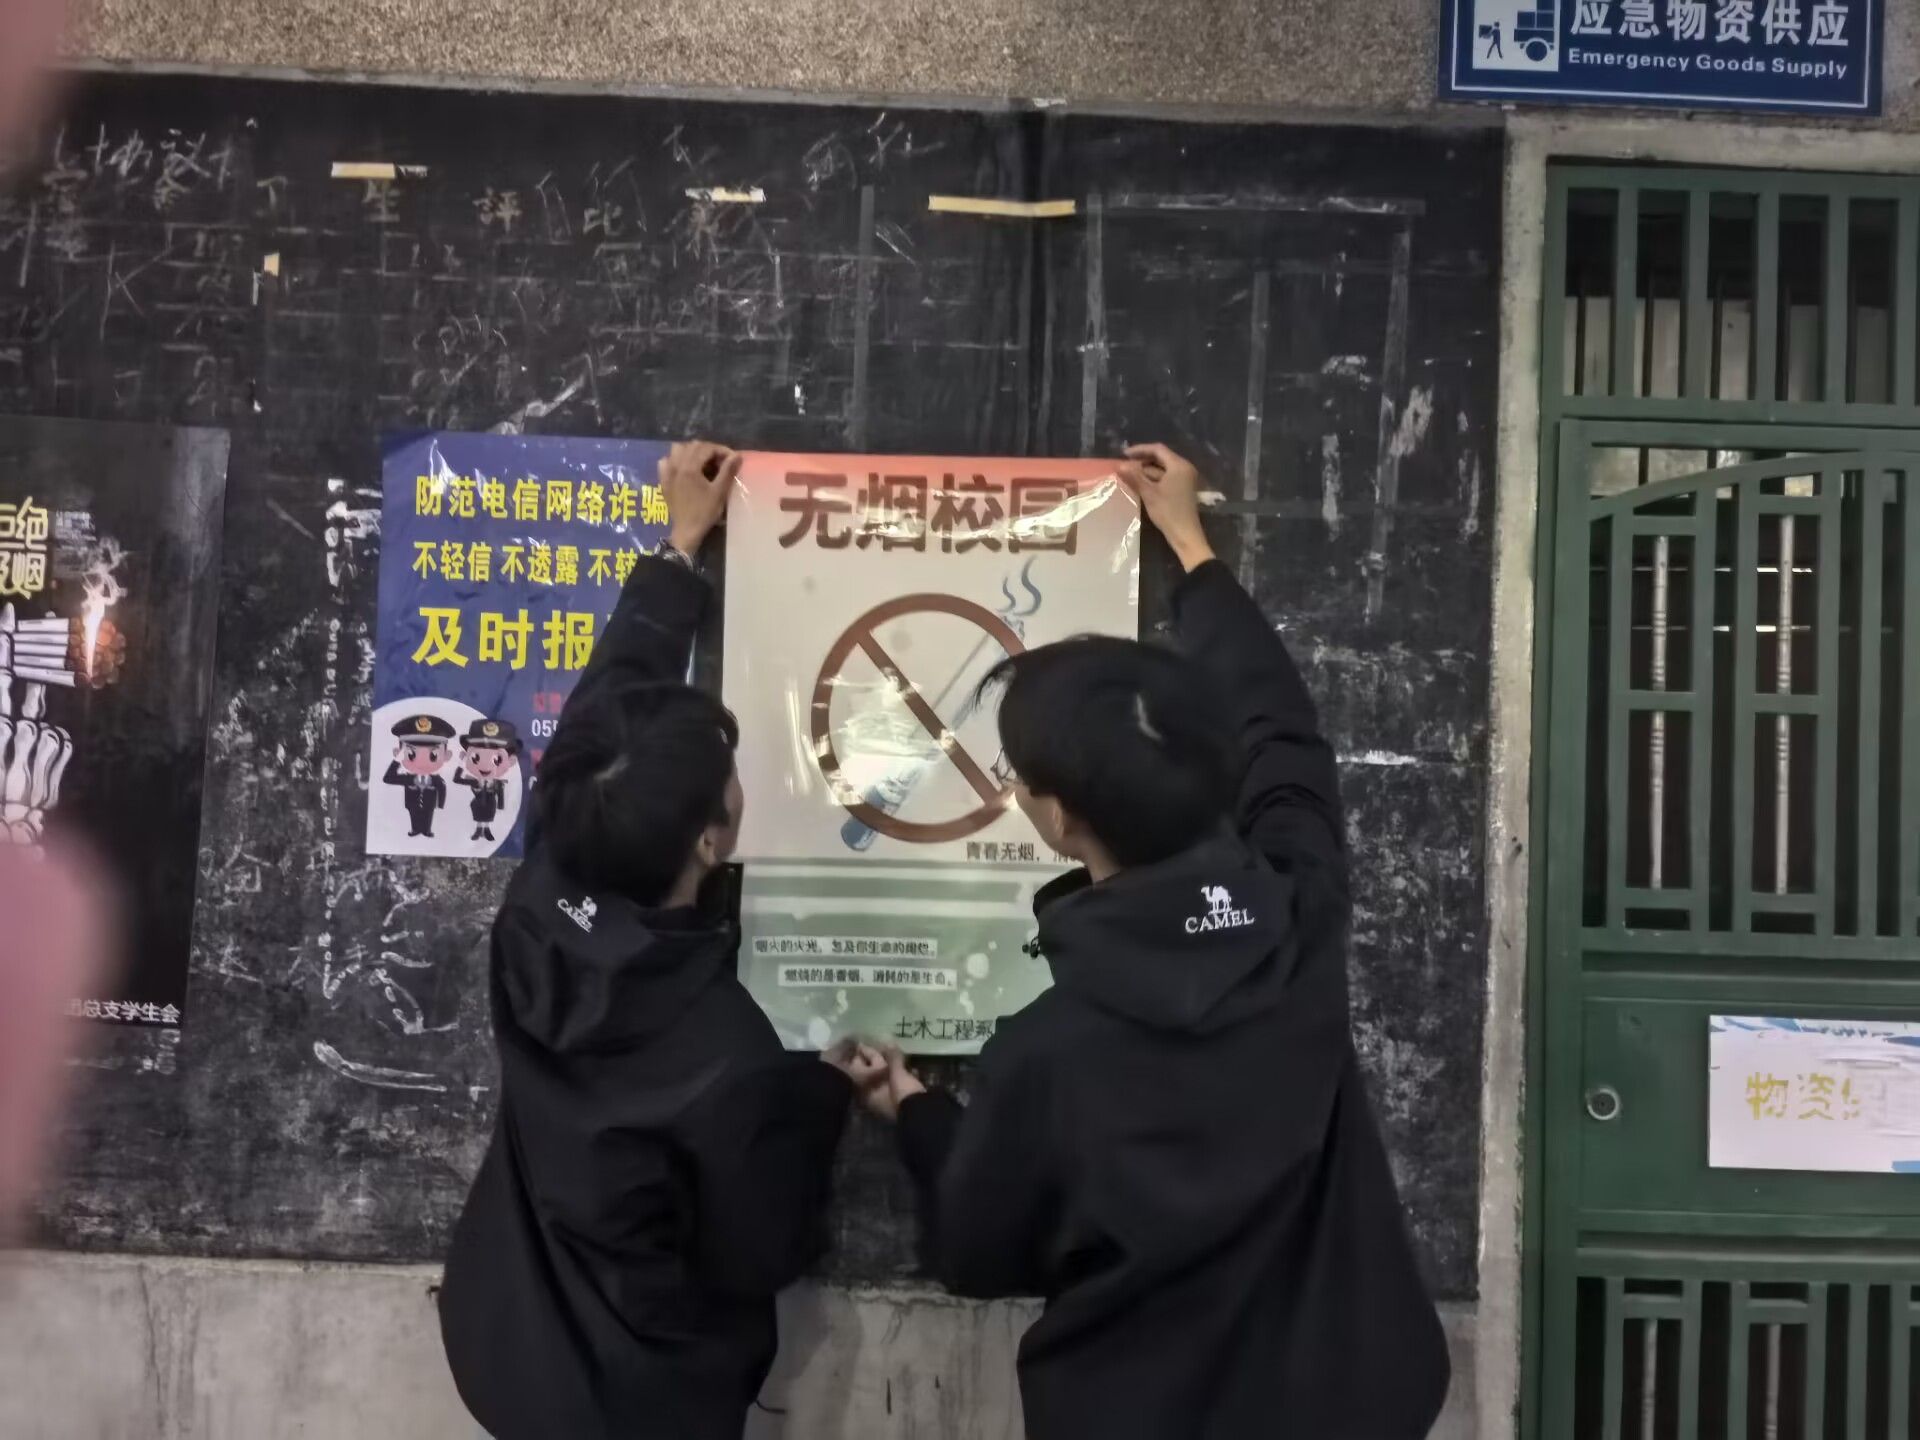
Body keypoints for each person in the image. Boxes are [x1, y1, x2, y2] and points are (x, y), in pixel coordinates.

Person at [847, 444, 1451, 1439]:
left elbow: (979, 1252)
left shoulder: (1045, 1053)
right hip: (1353, 1403)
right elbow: (1284, 735)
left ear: (1057, 816)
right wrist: (1194, 551)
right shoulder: (1299, 913)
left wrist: (915, 1110)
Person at [438, 442, 876, 1440]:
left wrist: (680, 547)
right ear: (711, 842)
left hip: (505, 1337)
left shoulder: (540, 898)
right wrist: (820, 1097)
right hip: (640, 1400)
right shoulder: (726, 1049)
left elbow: (607, 710)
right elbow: (760, 1250)